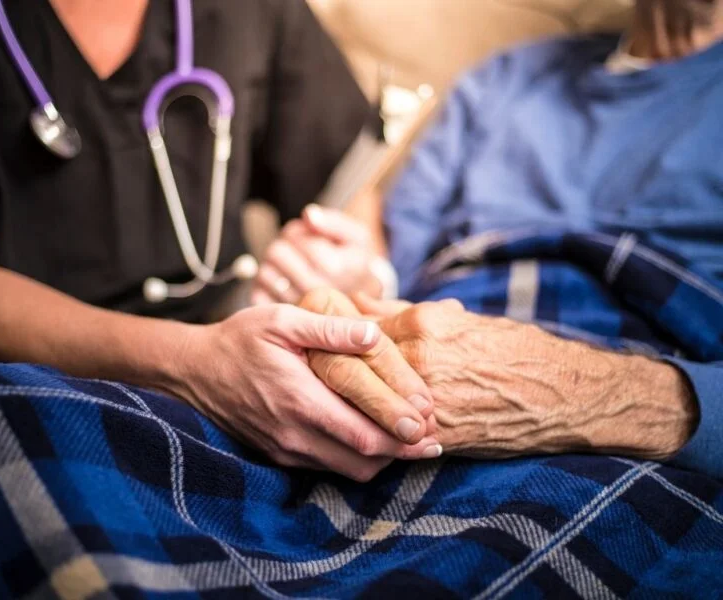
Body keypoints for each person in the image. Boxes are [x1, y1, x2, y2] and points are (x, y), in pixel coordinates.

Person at [0, 0, 442, 482]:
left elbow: (348, 191)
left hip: (242, 368)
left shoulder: (254, 12)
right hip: (21, 387)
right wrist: (193, 366)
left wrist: (356, 269)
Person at [257, 0, 723, 479]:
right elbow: (396, 259)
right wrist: (355, 276)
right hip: (435, 353)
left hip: (639, 395)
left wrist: (580, 394)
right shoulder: (505, 77)